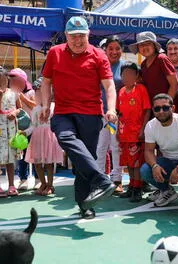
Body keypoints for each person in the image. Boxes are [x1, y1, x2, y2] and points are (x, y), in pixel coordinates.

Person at [40, 16, 117, 219]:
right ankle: (101, 180)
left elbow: (109, 85)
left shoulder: (99, 55)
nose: (78, 40)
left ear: (88, 35)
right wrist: (46, 105)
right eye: (73, 36)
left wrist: (112, 109)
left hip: (91, 114)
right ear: (66, 36)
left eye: (81, 36)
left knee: (85, 159)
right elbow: (46, 81)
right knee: (65, 137)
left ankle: (85, 205)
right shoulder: (55, 53)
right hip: (63, 112)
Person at [140, 93, 178, 208]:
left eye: (165, 107)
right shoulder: (151, 126)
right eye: (157, 108)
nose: (161, 111)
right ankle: (167, 191)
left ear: (172, 108)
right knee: (145, 170)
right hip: (168, 161)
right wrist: (154, 166)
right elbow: (148, 151)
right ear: (153, 110)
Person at [115, 62, 151, 202]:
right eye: (124, 74)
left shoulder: (141, 89)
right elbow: (119, 113)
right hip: (124, 134)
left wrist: (143, 128)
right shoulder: (121, 91)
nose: (127, 76)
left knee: (137, 163)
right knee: (128, 163)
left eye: (130, 73)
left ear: (137, 75)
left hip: (137, 133)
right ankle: (131, 186)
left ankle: (138, 188)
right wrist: (118, 131)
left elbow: (147, 109)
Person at [96, 35, 126, 193]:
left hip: (117, 116)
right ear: (105, 50)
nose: (114, 52)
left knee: (116, 147)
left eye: (117, 48)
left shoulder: (126, 66)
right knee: (100, 147)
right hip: (100, 114)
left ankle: (117, 180)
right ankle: (100, 179)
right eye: (111, 49)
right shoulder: (99, 65)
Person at [24, 78, 63, 196]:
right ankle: (43, 183)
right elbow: (33, 125)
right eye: (37, 93)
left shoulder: (54, 107)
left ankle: (50, 185)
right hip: (37, 139)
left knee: (49, 163)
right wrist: (25, 133)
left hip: (49, 138)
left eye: (42, 92)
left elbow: (57, 123)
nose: (39, 95)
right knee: (37, 162)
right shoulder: (35, 109)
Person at [128, 31, 178, 109]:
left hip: (167, 109)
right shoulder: (143, 64)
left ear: (154, 46)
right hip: (153, 108)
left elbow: (174, 84)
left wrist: (166, 105)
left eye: (148, 44)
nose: (144, 47)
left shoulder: (161, 59)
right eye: (141, 45)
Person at [8, 68, 38, 191]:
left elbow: (35, 105)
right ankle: (23, 179)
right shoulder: (10, 94)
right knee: (22, 154)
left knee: (35, 153)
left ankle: (38, 178)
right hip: (20, 129)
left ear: (24, 82)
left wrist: (22, 97)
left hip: (33, 126)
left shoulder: (30, 92)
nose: (16, 84)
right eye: (13, 82)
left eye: (19, 81)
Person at [0, 67, 22, 197]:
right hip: (0, 129)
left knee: (10, 158)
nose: (2, 83)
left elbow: (19, 108)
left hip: (11, 129)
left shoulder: (14, 93)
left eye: (3, 80)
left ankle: (11, 185)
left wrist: (15, 112)